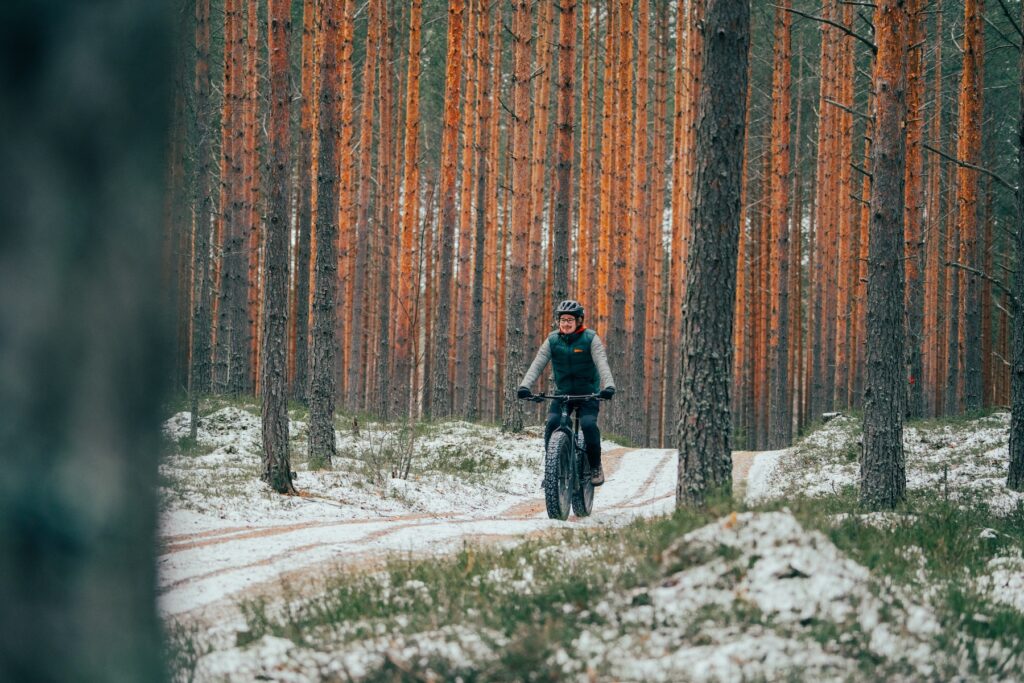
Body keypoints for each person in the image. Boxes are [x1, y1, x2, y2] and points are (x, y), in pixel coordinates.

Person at [517, 300, 616, 485]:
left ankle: (595, 466)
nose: (566, 323)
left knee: (587, 425)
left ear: (579, 321)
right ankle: (552, 471)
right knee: (553, 423)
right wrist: (525, 386)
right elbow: (538, 363)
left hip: (589, 395)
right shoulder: (553, 340)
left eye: (570, 319)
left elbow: (602, 363)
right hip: (563, 394)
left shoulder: (590, 338)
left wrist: (609, 386)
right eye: (562, 320)